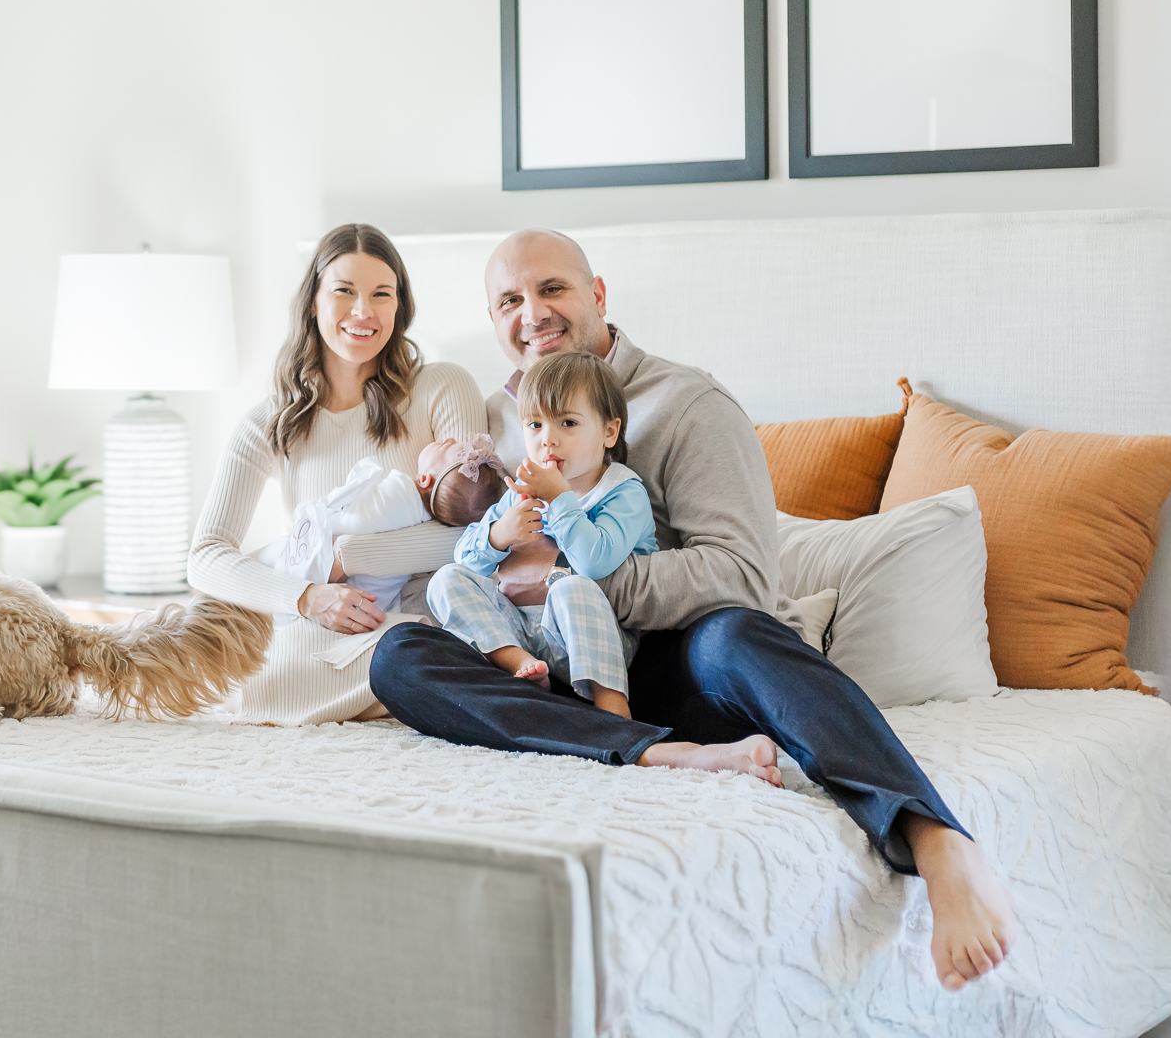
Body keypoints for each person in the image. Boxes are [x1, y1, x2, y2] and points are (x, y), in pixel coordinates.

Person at [368, 229, 1019, 992]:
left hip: (683, 665)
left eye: (553, 289)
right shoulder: (502, 419)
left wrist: (575, 581)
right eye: (510, 301)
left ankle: (935, 838)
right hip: (558, 664)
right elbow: (472, 550)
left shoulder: (687, 404)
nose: (533, 314)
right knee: (400, 655)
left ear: (599, 295)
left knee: (733, 638)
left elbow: (740, 573)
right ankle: (653, 753)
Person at [188, 223, 486, 725]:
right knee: (256, 667)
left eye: (381, 295)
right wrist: (307, 596)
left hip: (418, 613)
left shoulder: (442, 387)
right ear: (313, 302)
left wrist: (346, 557)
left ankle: (410, 688)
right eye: (344, 291)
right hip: (318, 617)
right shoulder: (271, 420)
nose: (363, 312)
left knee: (414, 650)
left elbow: (476, 533)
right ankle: (399, 697)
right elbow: (205, 559)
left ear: (400, 308)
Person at [431, 352, 652, 719]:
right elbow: (465, 559)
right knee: (446, 579)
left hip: (592, 635)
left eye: (567, 422)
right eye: (535, 425)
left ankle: (614, 709)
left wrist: (560, 498)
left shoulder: (623, 492)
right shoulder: (521, 489)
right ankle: (519, 666)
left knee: (572, 586)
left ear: (608, 432)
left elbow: (594, 562)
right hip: (521, 631)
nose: (548, 440)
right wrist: (500, 535)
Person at [260, 434, 505, 613]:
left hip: (321, 567)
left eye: (445, 446)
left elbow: (353, 520)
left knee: (271, 566)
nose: (449, 438)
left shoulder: (400, 493)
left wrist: (331, 526)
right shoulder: (424, 519)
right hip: (372, 599)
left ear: (423, 479)